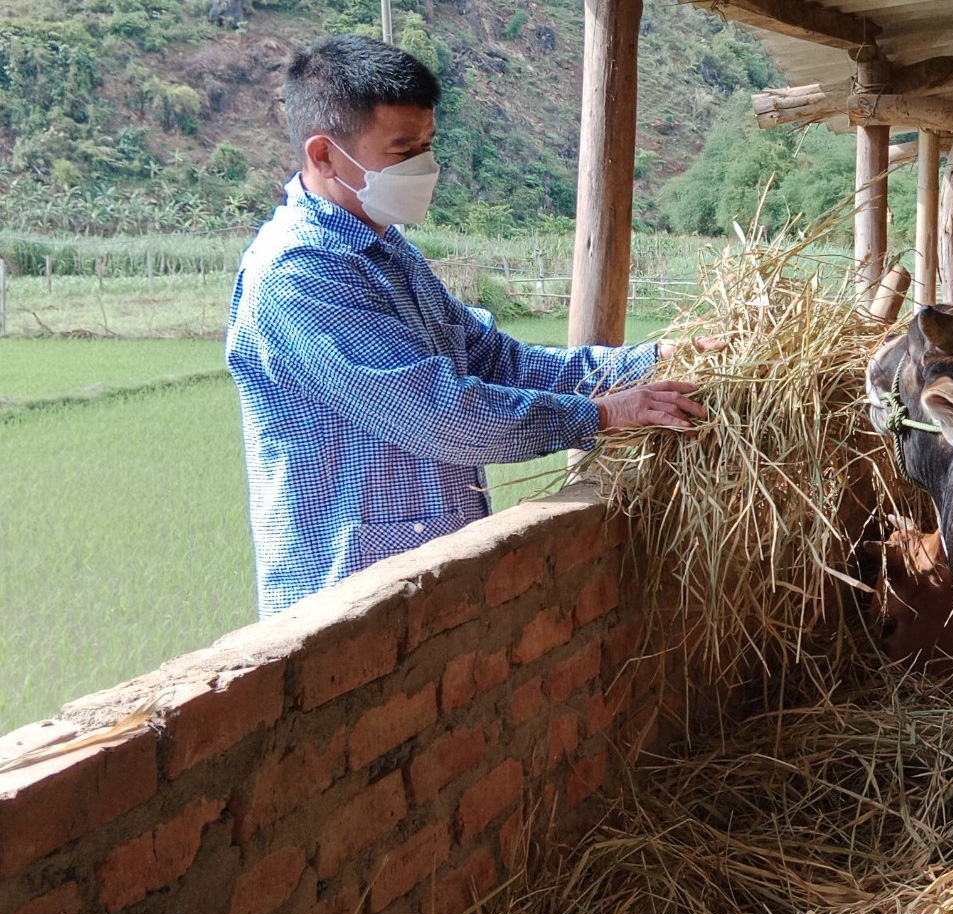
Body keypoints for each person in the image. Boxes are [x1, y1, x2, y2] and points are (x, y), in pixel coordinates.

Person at [227, 35, 703, 618]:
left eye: (427, 146)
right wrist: (606, 413)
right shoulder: (300, 274)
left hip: (428, 581)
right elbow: (439, 414)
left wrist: (655, 360)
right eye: (402, 150)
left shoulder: (388, 250)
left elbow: (497, 361)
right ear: (325, 155)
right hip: (346, 600)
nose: (423, 167)